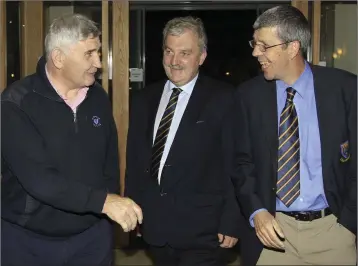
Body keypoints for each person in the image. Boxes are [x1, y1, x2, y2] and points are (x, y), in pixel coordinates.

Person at [1, 14, 142, 266]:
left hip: (92, 237)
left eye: (98, 52)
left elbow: (109, 163)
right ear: (58, 58)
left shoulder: (98, 97)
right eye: (89, 54)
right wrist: (105, 202)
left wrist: (106, 214)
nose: (98, 63)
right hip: (28, 241)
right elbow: (39, 180)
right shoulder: (16, 103)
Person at [232, 5, 357, 266]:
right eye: (254, 44)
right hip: (273, 236)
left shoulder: (345, 89)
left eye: (264, 46)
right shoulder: (248, 96)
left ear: (292, 47)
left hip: (333, 232)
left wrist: (348, 222)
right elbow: (241, 163)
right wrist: (258, 212)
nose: (256, 53)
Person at [125, 16, 242, 266]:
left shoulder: (224, 99)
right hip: (156, 228)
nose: (174, 61)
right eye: (169, 51)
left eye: (184, 53)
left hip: (204, 231)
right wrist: (132, 211)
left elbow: (236, 164)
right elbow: (136, 161)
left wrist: (232, 220)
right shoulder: (145, 99)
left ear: (201, 57)